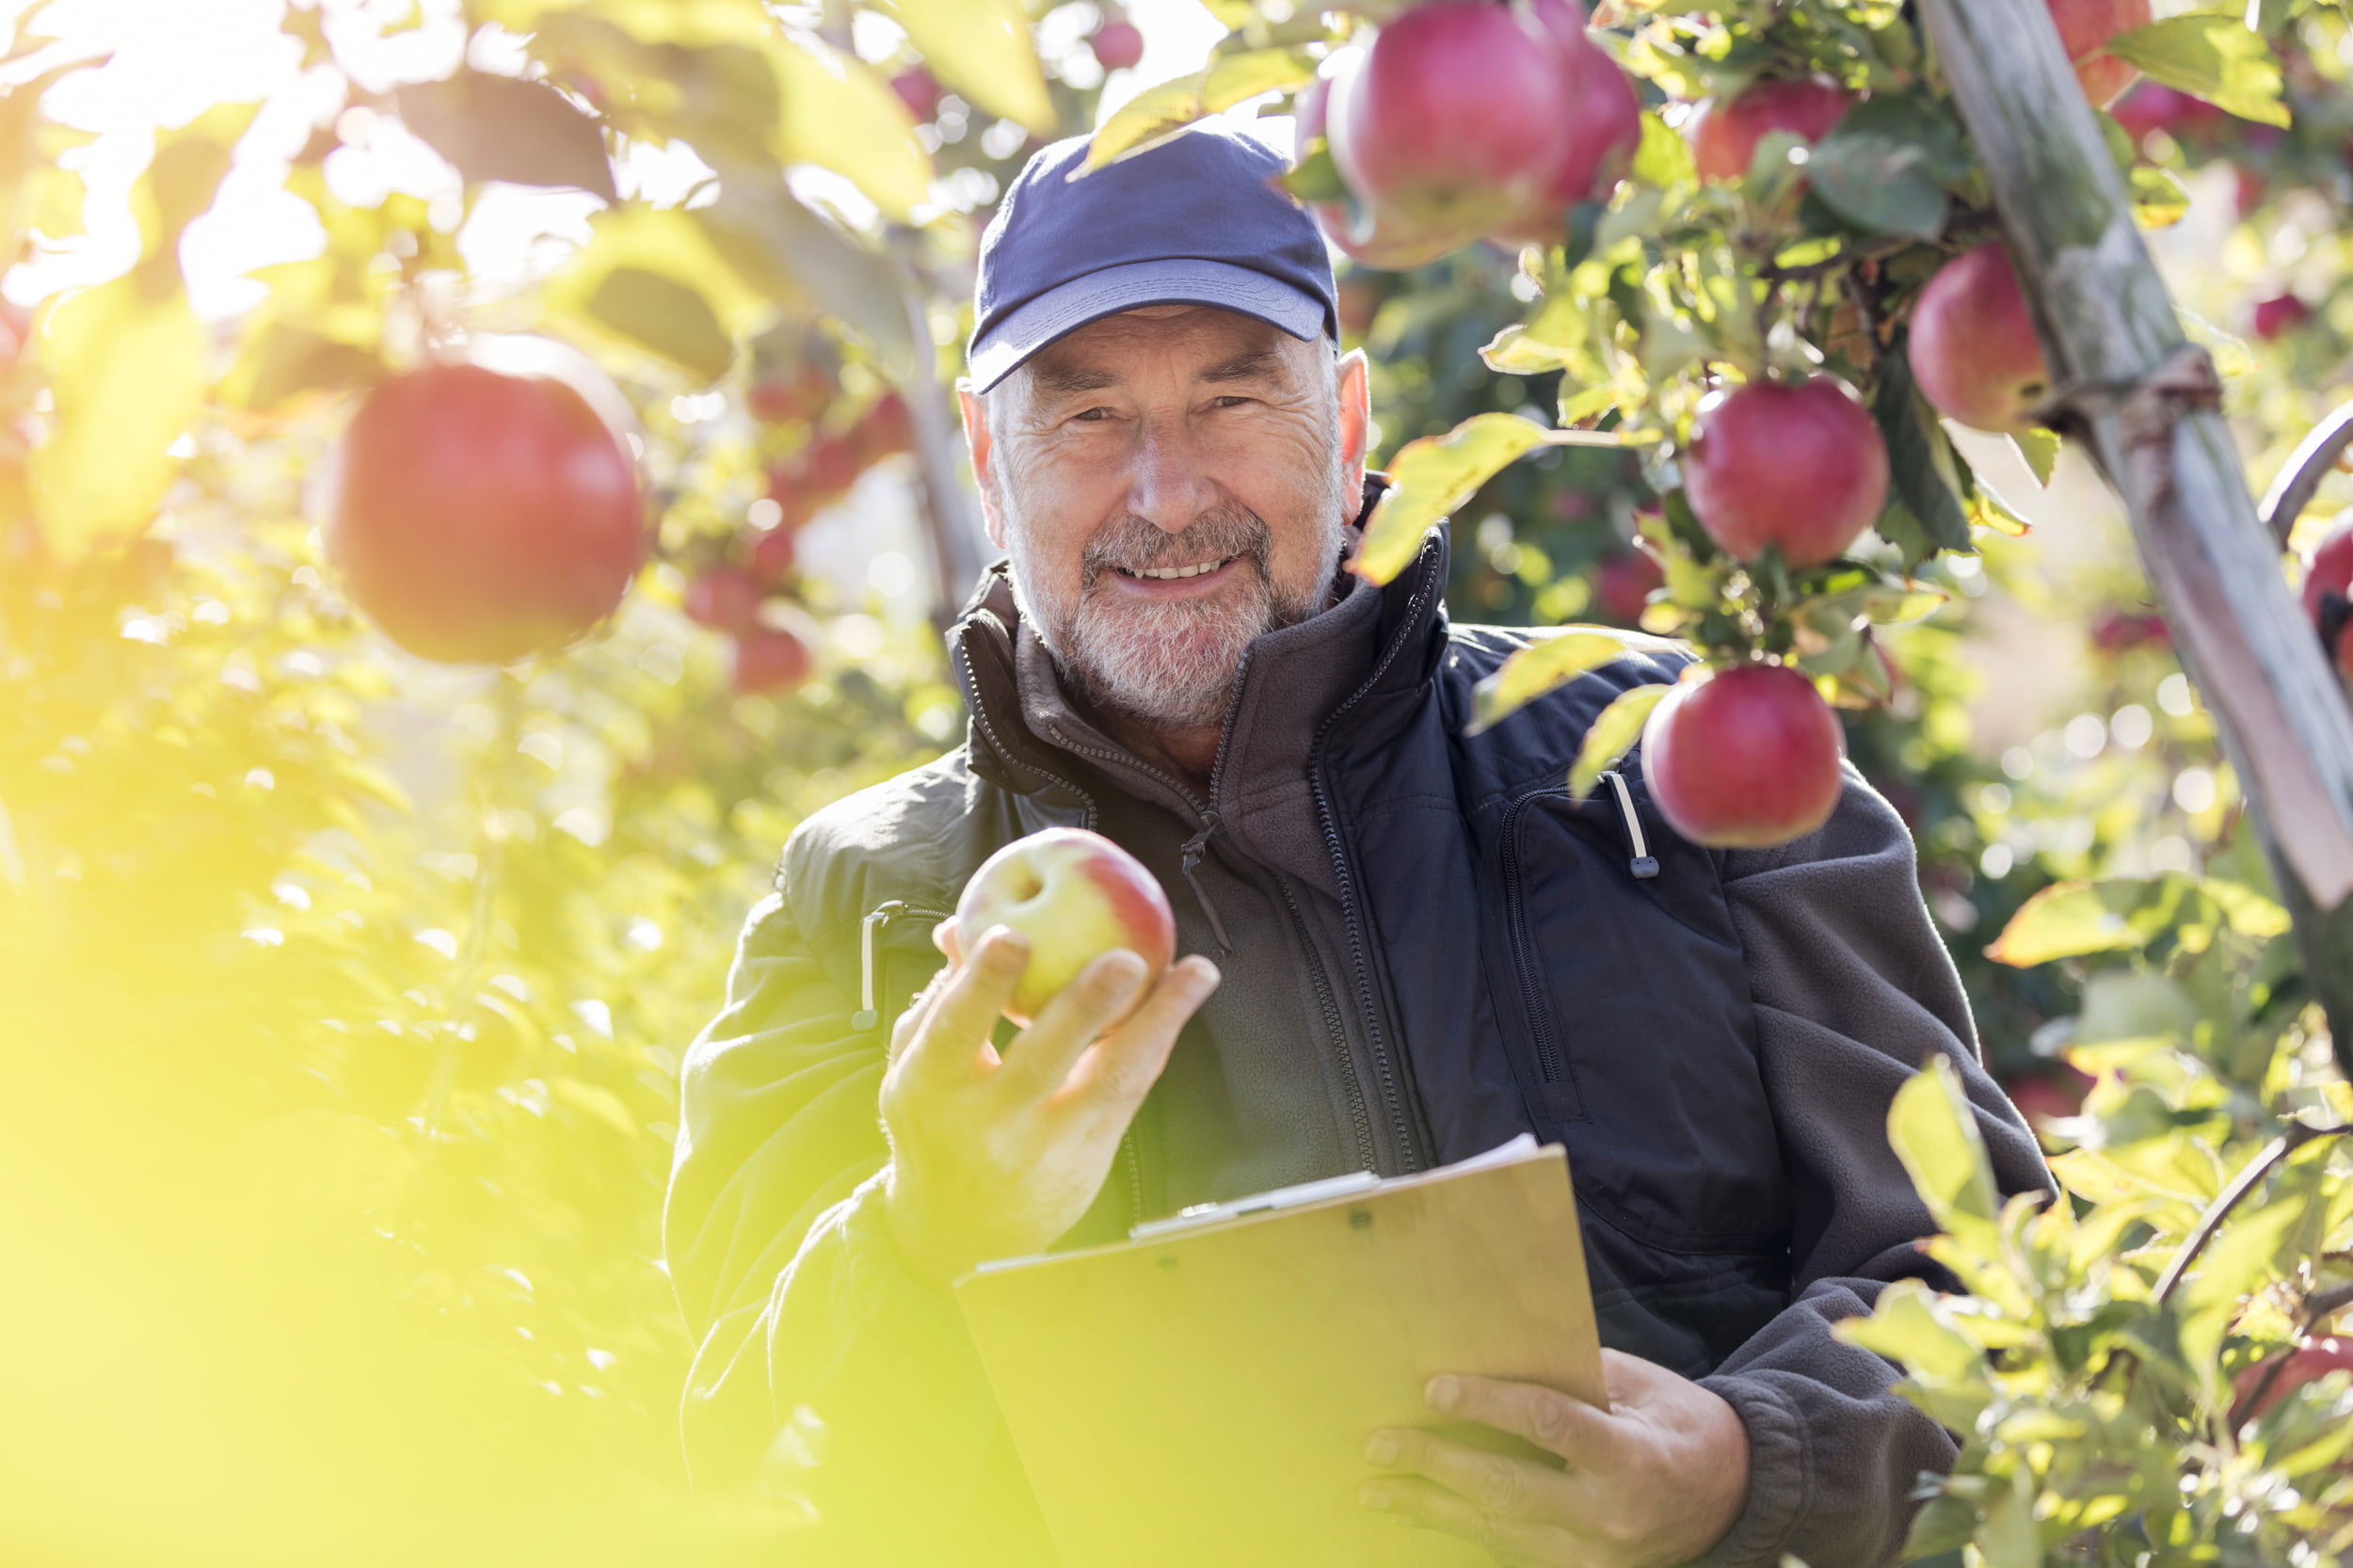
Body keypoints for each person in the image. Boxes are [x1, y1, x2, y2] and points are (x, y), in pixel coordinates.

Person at [664, 124, 2052, 1568]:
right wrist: (916, 1231)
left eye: (1231, 399)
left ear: (1348, 419)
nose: (1165, 491)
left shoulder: (1679, 762)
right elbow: (732, 1461)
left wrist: (1749, 1456)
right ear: (983, 457)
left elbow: (1999, 1292)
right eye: (1085, 418)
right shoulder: (869, 906)